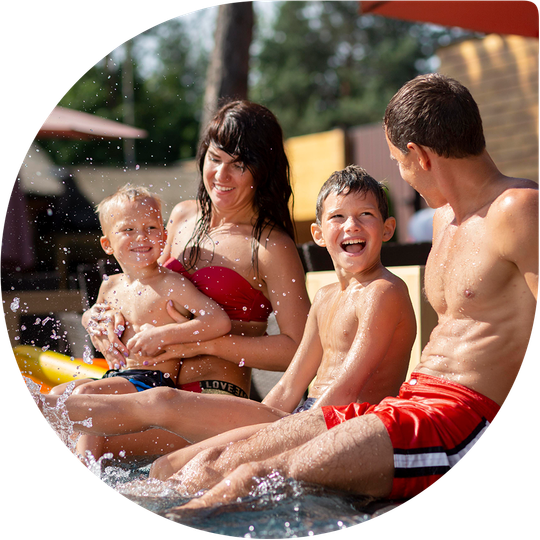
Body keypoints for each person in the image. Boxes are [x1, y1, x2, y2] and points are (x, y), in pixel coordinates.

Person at [168, 73, 538, 509]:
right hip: (408, 403)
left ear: (417, 155)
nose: (404, 175)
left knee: (254, 478)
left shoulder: (518, 209)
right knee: (210, 463)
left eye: (397, 161)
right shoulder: (445, 219)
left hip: (458, 421)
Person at [39, 165, 417, 477]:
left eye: (364, 215)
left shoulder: (382, 292)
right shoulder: (327, 297)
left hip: (340, 423)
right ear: (318, 234)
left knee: (166, 406)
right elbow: (288, 390)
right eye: (338, 217)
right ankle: (51, 405)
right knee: (166, 468)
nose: (350, 226)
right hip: (301, 414)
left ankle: (44, 406)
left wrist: (263, 436)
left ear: (387, 228)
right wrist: (253, 425)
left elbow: (346, 393)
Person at [55, 101, 311, 459]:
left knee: (88, 439)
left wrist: (202, 344)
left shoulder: (270, 246)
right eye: (215, 158)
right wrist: (99, 318)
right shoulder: (183, 217)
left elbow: (299, 350)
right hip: (149, 383)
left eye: (238, 165)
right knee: (60, 416)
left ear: (262, 169)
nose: (221, 175)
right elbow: (143, 284)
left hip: (211, 398)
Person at [49, 185, 231, 461]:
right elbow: (96, 317)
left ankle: (90, 466)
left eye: (150, 228)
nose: (141, 237)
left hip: (153, 382)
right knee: (56, 396)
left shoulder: (171, 284)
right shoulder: (110, 286)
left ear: (164, 236)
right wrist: (90, 320)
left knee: (89, 396)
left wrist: (166, 334)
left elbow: (218, 321)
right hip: (116, 378)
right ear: (107, 244)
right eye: (128, 230)